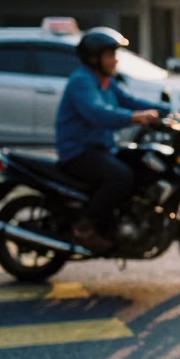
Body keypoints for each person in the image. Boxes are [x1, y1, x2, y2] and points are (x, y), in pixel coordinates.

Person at [55, 28, 165, 252]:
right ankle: (86, 227)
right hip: (78, 151)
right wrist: (136, 118)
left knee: (139, 163)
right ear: (94, 58)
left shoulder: (104, 80)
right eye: (110, 55)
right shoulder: (82, 82)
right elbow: (97, 113)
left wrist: (167, 111)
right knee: (120, 177)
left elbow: (129, 100)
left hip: (101, 147)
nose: (115, 61)